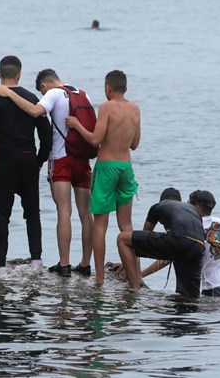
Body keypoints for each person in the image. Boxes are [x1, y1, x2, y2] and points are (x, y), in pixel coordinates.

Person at [0, 68, 93, 277]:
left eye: (41, 92)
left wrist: (9, 93)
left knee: (64, 210)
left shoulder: (54, 93)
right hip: (82, 159)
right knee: (86, 214)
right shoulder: (82, 93)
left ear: (45, 86)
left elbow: (35, 112)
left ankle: (64, 264)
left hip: (61, 158)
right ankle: (85, 263)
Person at [0, 55, 52, 273]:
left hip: (5, 160)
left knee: (1, 216)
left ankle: (0, 266)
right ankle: (36, 262)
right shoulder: (31, 97)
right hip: (28, 158)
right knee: (32, 213)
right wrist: (39, 159)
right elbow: (45, 134)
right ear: (19, 74)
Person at [65, 69, 140, 284]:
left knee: (100, 223)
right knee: (126, 226)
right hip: (126, 168)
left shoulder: (106, 107)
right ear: (125, 87)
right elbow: (135, 144)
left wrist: (77, 125)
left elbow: (95, 139)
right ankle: (133, 274)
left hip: (107, 167)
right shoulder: (135, 109)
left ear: (108, 88)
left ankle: (98, 278)